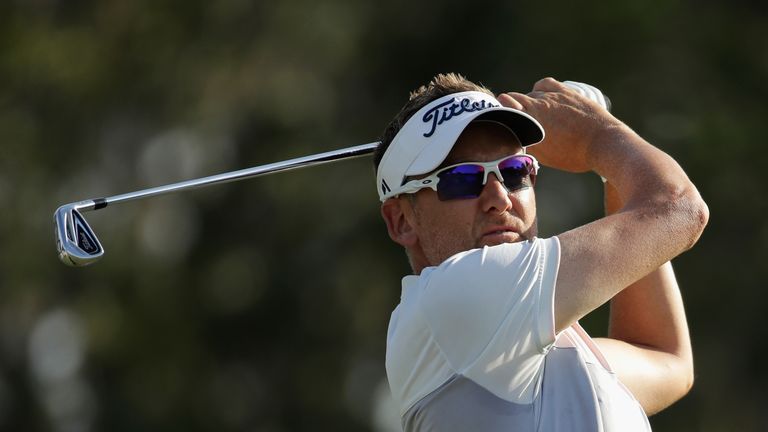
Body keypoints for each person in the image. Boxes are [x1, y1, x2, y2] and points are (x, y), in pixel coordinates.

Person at [373, 73, 708, 431]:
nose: (500, 199)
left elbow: (666, 360)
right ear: (402, 220)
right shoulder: (452, 297)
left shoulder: (521, 338)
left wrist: (611, 171)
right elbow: (680, 209)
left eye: (514, 172)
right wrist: (597, 134)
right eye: (462, 179)